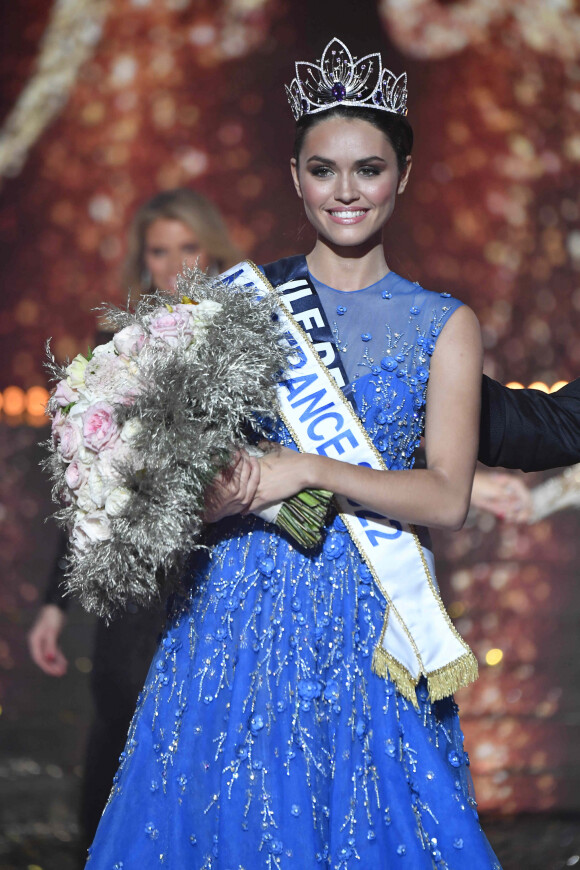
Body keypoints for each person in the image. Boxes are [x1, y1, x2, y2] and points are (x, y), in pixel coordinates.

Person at [85, 39, 501, 868]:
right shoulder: (234, 305)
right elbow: (176, 471)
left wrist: (309, 468)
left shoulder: (444, 325)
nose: (345, 192)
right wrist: (203, 486)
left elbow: (447, 498)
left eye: (369, 169)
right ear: (295, 175)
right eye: (323, 169)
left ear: (403, 176)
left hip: (367, 620)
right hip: (232, 616)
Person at [27, 187, 241, 847]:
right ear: (141, 261)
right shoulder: (114, 347)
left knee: (209, 750)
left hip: (218, 571)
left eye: (188, 247)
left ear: (213, 251)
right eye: (159, 251)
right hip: (135, 582)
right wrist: (55, 603)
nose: (175, 264)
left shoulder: (248, 339)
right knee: (119, 733)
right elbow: (88, 486)